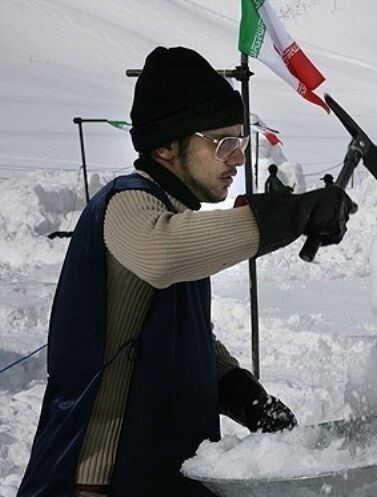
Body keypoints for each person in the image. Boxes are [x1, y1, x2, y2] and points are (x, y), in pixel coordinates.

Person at [18, 46, 354, 497]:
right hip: (102, 482)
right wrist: (296, 214)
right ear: (165, 145)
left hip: (164, 475)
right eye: (223, 143)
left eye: (241, 142)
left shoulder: (177, 214)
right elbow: (162, 251)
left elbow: (176, 332)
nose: (237, 158)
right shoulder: (126, 203)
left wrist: (243, 395)